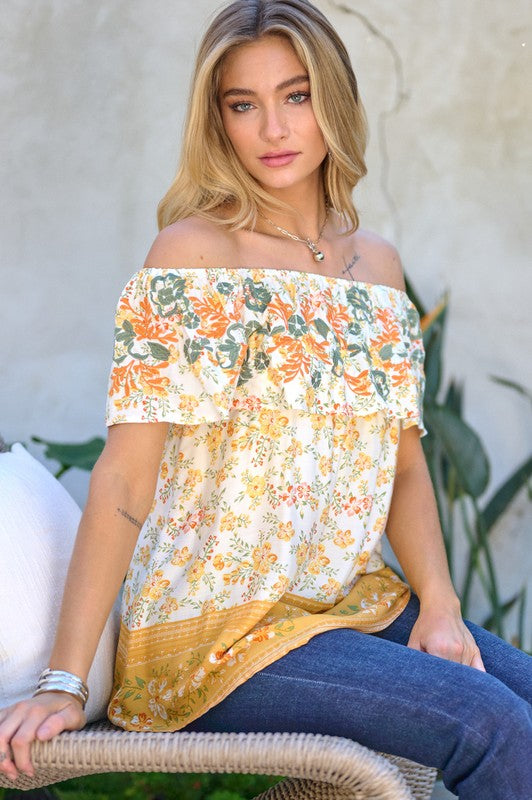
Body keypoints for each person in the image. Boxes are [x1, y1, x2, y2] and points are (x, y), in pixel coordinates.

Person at [1, 1, 530, 796]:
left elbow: (405, 465)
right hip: (215, 631)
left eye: (296, 95)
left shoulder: (376, 268)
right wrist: (64, 680)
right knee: (492, 728)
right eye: (243, 105)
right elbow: (122, 482)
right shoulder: (193, 255)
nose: (273, 129)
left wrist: (443, 608)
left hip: (348, 606)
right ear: (217, 121)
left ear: (334, 103)